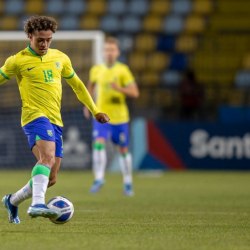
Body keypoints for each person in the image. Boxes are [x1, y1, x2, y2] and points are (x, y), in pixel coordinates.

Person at [0, 16, 109, 224]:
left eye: (49, 40)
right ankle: (37, 204)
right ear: (29, 36)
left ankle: (12, 200)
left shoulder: (61, 58)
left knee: (50, 178)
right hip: (34, 117)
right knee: (47, 158)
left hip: (55, 120)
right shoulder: (17, 60)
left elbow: (77, 86)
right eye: (40, 39)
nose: (44, 44)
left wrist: (95, 110)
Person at [83, 37, 139, 196]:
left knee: (123, 149)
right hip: (101, 115)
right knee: (98, 143)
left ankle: (128, 182)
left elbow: (135, 92)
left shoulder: (123, 70)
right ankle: (99, 178)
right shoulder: (96, 70)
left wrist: (119, 88)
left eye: (112, 50)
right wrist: (88, 105)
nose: (109, 53)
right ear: (103, 52)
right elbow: (90, 86)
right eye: (107, 50)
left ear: (117, 52)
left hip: (120, 117)